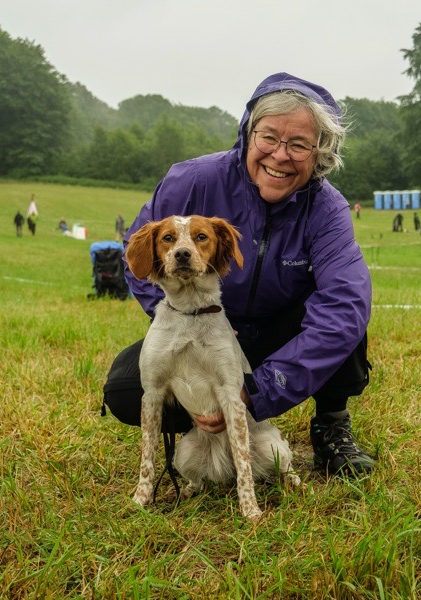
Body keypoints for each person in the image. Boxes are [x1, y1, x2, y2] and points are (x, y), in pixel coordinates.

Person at [119, 73, 374, 476]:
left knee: (347, 324)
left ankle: (331, 423)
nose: (279, 155)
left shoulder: (328, 211)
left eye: (299, 144)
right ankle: (204, 428)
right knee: (124, 388)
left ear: (320, 152)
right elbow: (138, 256)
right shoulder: (192, 180)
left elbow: (345, 306)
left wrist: (256, 392)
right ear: (247, 133)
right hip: (204, 332)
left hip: (282, 335)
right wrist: (181, 318)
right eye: (268, 137)